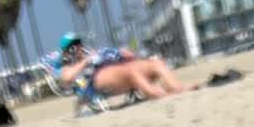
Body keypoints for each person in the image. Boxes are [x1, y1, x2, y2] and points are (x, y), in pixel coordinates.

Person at [56, 32, 188, 103]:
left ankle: (177, 88)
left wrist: (120, 53)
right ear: (67, 52)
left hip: (117, 69)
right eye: (72, 46)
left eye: (78, 43)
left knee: (156, 63)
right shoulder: (68, 67)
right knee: (130, 72)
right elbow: (66, 78)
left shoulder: (95, 52)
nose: (78, 47)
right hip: (100, 81)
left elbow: (126, 55)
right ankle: (159, 94)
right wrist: (86, 61)